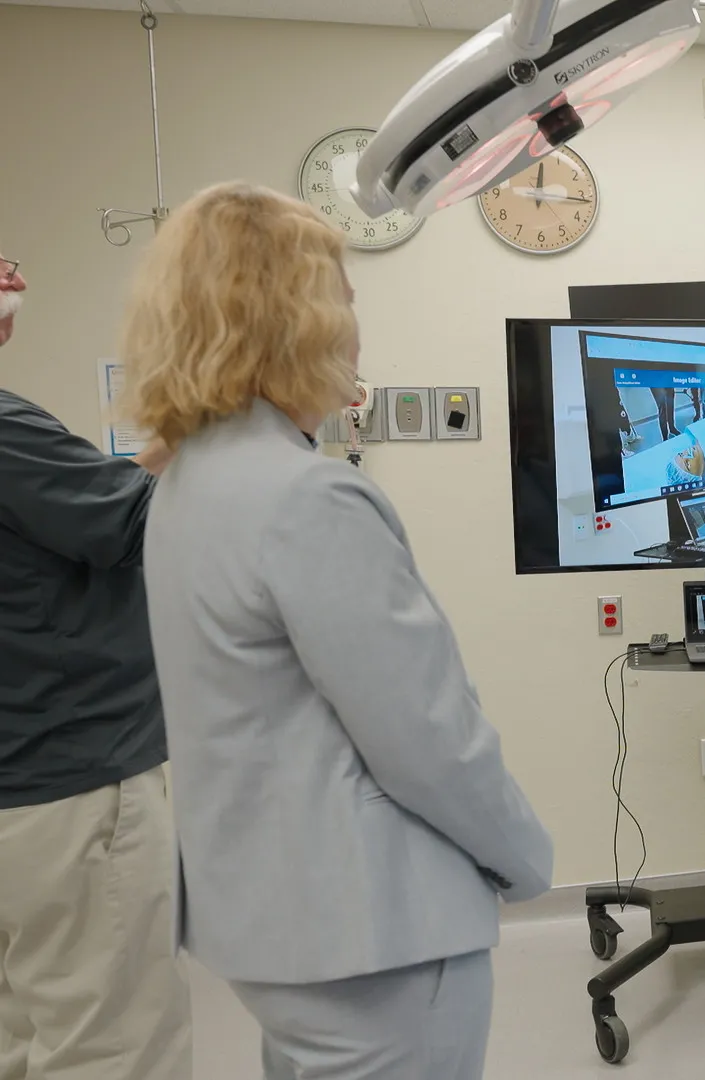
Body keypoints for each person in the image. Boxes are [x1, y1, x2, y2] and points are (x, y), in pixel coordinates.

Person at [124, 183, 554, 1078]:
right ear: (298, 317)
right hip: (373, 936)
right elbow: (426, 737)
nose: (357, 329)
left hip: (270, 929)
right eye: (348, 302)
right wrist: (524, 857)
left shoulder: (183, 486)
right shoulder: (307, 497)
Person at [0, 250, 193, 1079]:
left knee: (23, 1037)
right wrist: (213, 418)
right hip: (67, 788)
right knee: (110, 1047)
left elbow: (107, 507)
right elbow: (134, 523)